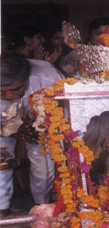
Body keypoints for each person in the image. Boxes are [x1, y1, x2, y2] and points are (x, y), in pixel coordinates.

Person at [0, 53, 64, 217]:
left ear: (26, 79)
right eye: (2, 91)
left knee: (41, 158)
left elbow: (66, 113)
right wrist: (17, 132)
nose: (9, 96)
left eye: (15, 89)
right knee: (2, 159)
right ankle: (2, 208)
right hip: (3, 125)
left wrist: (41, 127)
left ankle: (41, 206)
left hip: (43, 125)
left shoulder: (48, 78)